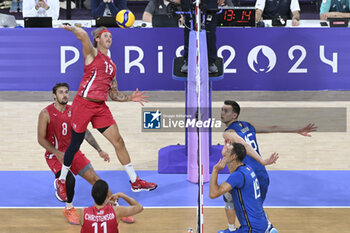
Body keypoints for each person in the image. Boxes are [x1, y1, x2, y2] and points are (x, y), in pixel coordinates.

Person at [56, 26, 157, 202]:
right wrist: (71, 27)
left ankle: (135, 181)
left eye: (110, 36)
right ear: (97, 39)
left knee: (119, 141)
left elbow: (113, 94)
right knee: (75, 144)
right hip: (83, 104)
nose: (109, 38)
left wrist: (129, 98)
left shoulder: (112, 66)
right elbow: (82, 35)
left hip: (100, 107)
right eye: (105, 36)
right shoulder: (92, 54)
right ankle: (62, 180)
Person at [37, 83, 134, 225]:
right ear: (54, 95)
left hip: (73, 153)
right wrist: (57, 152)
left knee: (96, 179)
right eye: (61, 92)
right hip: (54, 156)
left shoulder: (73, 111)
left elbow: (85, 132)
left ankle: (114, 207)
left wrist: (99, 150)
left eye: (66, 92)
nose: (64, 95)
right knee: (70, 181)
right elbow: (40, 139)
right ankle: (69, 208)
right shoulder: (45, 113)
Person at [218, 100, 317, 233]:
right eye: (222, 110)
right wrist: (298, 130)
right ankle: (269, 227)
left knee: (235, 201)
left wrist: (263, 160)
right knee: (254, 207)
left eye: (226, 111)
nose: (222, 113)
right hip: (262, 174)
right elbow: (273, 128)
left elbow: (245, 146)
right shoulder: (248, 125)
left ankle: (233, 229)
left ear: (234, 115)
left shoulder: (228, 133)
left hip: (248, 176)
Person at [209, 142, 278, 233]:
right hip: (261, 223)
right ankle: (267, 228)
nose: (224, 152)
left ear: (233, 157)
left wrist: (215, 170)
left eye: (228, 151)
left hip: (252, 229)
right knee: (228, 194)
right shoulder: (247, 168)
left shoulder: (238, 176)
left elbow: (213, 194)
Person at [180, 0, 223, 73]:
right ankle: (188, 61)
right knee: (189, 31)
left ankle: (210, 62)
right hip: (189, 5)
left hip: (209, 6)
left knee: (210, 33)